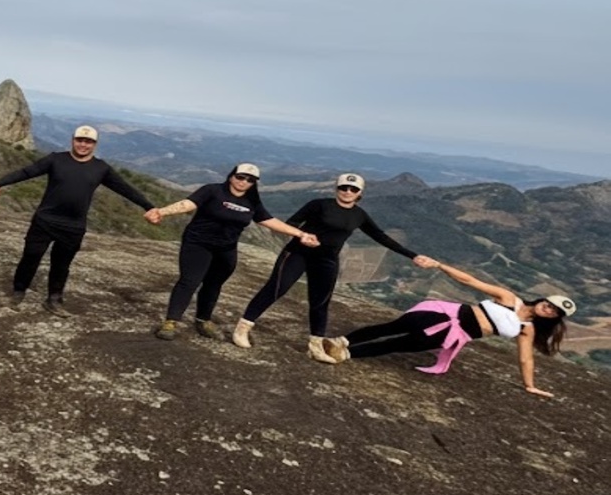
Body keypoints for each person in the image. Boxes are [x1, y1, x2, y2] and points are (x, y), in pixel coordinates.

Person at [233, 173, 433, 363]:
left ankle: (315, 346)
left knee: (321, 302)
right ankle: (243, 327)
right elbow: (292, 222)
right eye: (343, 187)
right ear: (336, 188)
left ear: (360, 193)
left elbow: (380, 237)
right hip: (298, 253)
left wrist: (412, 255)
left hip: (327, 259)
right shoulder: (318, 205)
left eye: (353, 189)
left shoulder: (359, 215)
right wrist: (301, 235)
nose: (347, 192)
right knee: (277, 288)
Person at [325, 261, 574, 397]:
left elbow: (526, 358)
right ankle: (341, 341)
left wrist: (529, 385)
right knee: (392, 328)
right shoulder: (509, 298)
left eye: (554, 311)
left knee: (398, 344)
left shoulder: (526, 328)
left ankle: (346, 354)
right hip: (443, 314)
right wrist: (440, 266)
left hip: (452, 335)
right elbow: (470, 281)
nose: (548, 309)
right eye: (549, 303)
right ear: (543, 299)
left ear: (554, 318)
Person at [0, 125, 155, 317]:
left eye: (88, 142)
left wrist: (148, 207)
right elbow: (26, 172)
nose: (83, 145)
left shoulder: (101, 168)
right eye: (80, 140)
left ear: (95, 144)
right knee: (31, 256)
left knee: (62, 264)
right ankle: (18, 292)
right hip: (45, 220)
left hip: (73, 226)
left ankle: (54, 299)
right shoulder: (56, 159)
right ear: (73, 140)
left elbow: (125, 189)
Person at [145, 164, 319, 341]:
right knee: (189, 281)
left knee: (214, 284)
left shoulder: (252, 201)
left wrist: (301, 234)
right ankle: (171, 322)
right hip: (198, 244)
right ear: (231, 176)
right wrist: (162, 212)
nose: (244, 182)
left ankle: (203, 320)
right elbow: (188, 204)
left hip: (226, 249)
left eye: (250, 180)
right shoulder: (212, 190)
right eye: (240, 177)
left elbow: (268, 220)